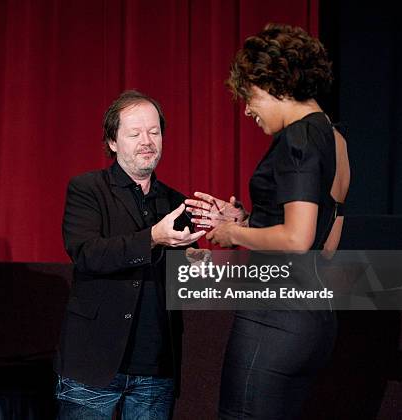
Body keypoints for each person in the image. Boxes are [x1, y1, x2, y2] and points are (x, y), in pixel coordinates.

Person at [185, 23, 350, 419]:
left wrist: (231, 232)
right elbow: (325, 246)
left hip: (275, 319)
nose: (246, 109)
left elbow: (297, 238)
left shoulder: (299, 138)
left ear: (275, 84)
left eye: (250, 95)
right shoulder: (335, 139)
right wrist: (249, 220)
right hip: (314, 323)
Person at [55, 90, 205, 419]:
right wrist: (153, 237)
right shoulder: (87, 189)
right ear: (112, 142)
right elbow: (87, 254)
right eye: (135, 133)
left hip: (155, 369)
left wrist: (222, 234)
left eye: (154, 132)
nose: (147, 141)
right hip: (92, 366)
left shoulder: (177, 201)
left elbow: (187, 278)